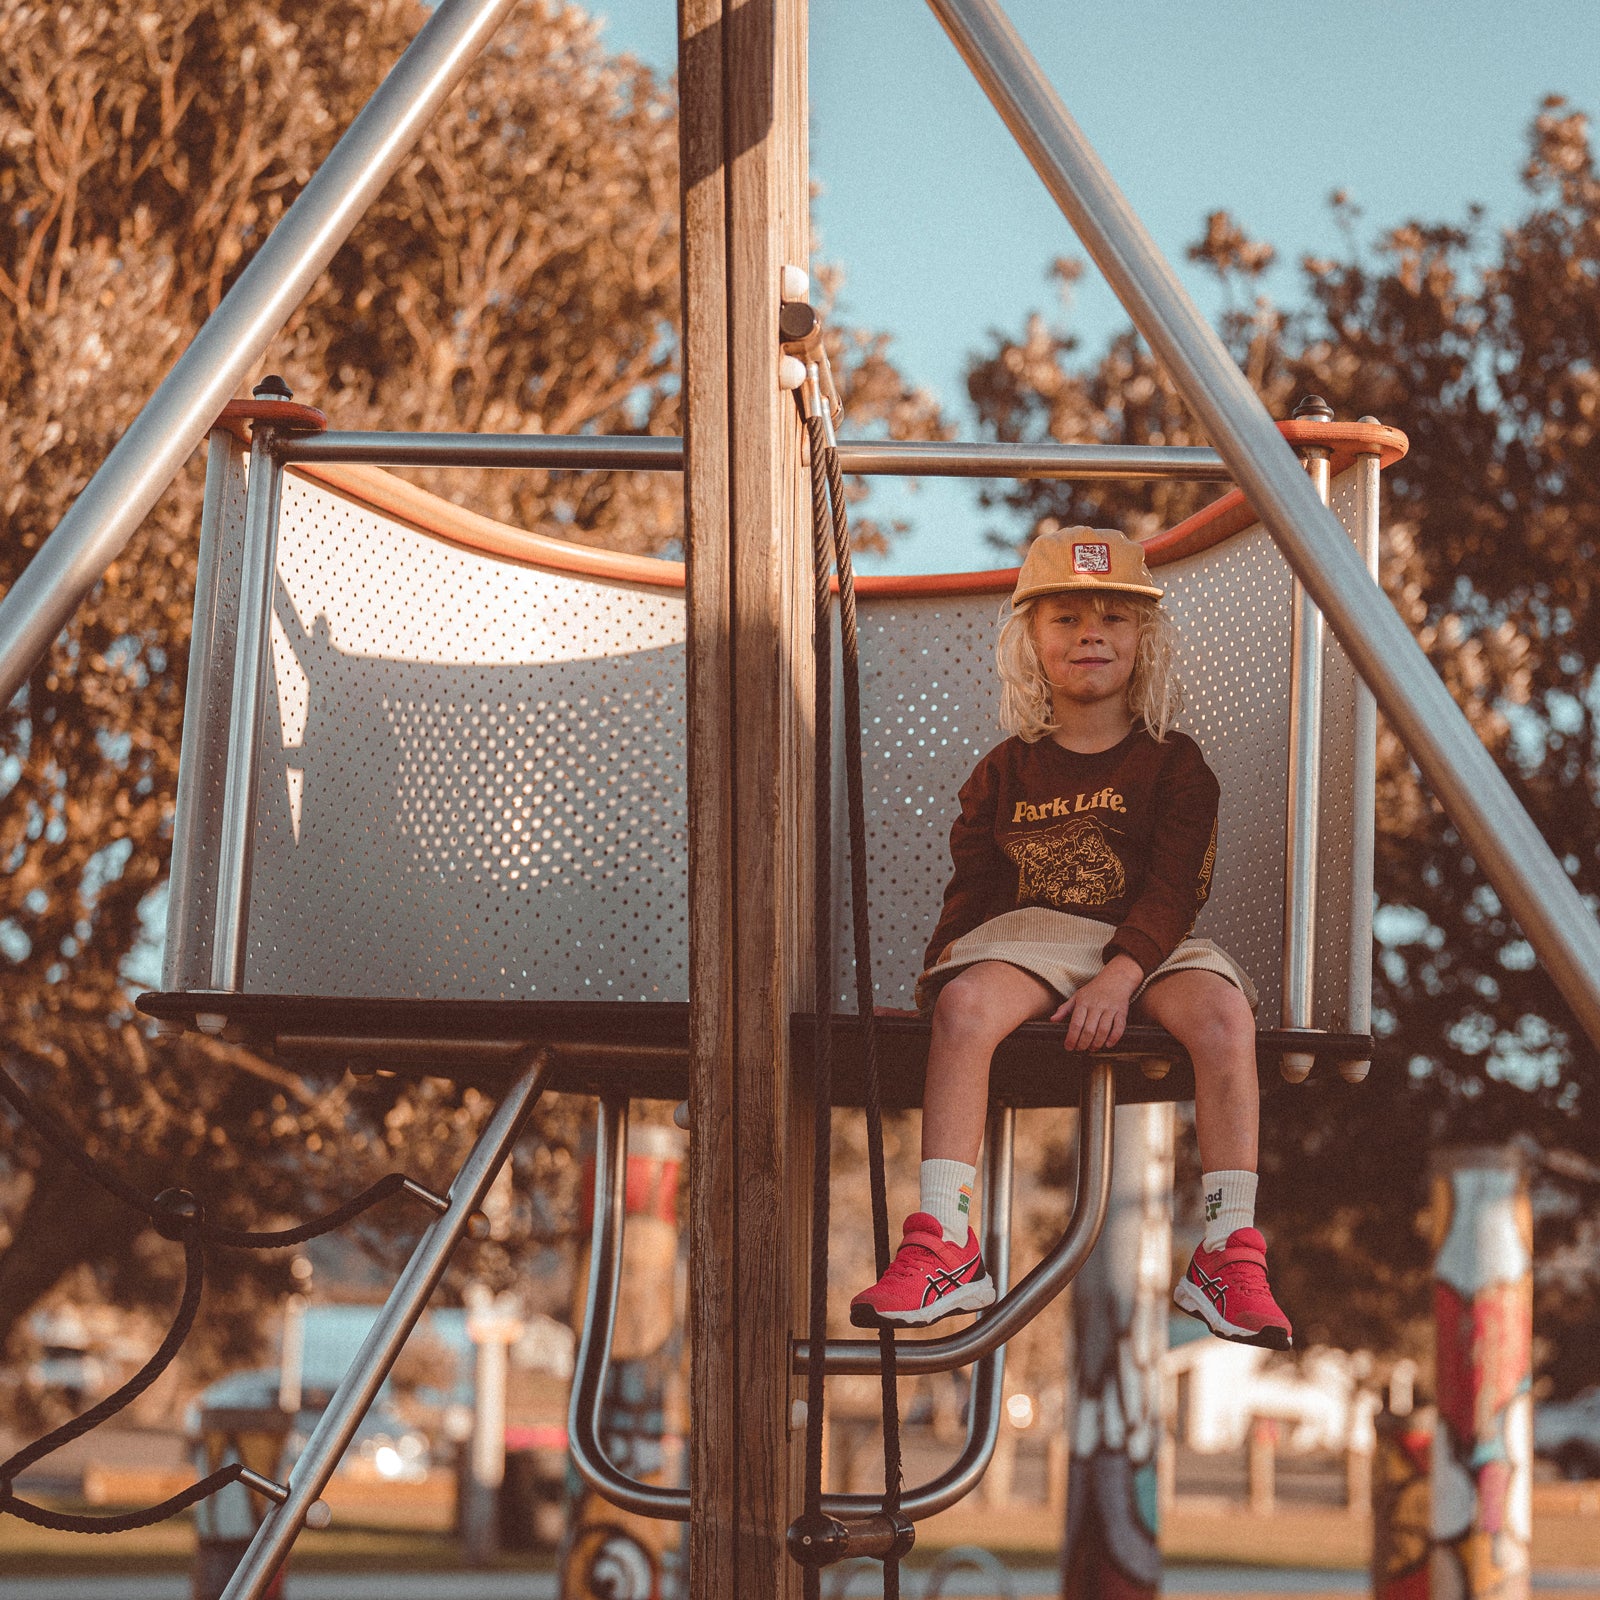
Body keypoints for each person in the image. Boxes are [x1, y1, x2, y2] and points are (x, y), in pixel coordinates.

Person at [848, 525, 1292, 1350]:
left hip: (1149, 944)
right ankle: (946, 1239)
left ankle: (1227, 1250)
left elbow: (1172, 889)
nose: (1091, 633)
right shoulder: (1004, 771)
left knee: (1226, 1015)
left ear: (1143, 641)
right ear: (1031, 643)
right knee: (968, 1002)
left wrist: (1121, 976)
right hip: (1034, 939)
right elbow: (973, 896)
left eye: (1114, 618)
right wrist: (940, 990)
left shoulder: (1175, 765)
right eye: (1066, 619)